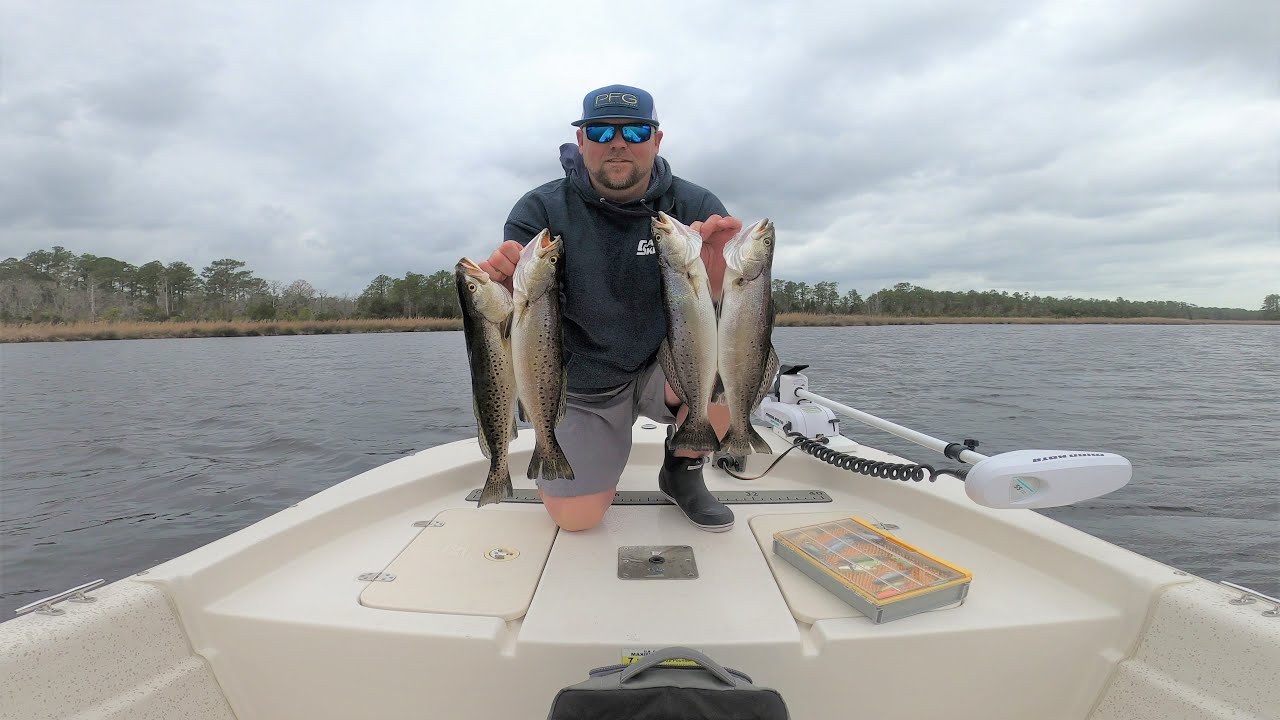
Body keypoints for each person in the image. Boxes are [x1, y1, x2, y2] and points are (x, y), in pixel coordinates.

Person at [479, 83, 743, 533]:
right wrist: (503, 298)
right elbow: (519, 328)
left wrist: (722, 286)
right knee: (576, 520)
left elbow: (730, 320)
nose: (617, 143)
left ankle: (683, 469)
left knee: (732, 371)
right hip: (583, 382)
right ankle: (595, 450)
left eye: (635, 131)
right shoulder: (538, 210)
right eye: (600, 132)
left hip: (671, 366)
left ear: (656, 140)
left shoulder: (695, 207)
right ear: (581, 142)